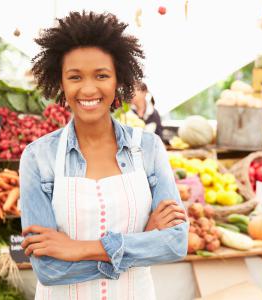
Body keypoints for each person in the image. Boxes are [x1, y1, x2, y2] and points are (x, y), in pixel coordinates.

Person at [19, 12, 188, 299]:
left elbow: (174, 244)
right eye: (75, 77)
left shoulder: (149, 148)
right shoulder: (38, 157)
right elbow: (48, 270)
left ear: (118, 79)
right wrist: (141, 244)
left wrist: (79, 249)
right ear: (60, 82)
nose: (87, 89)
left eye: (101, 75)